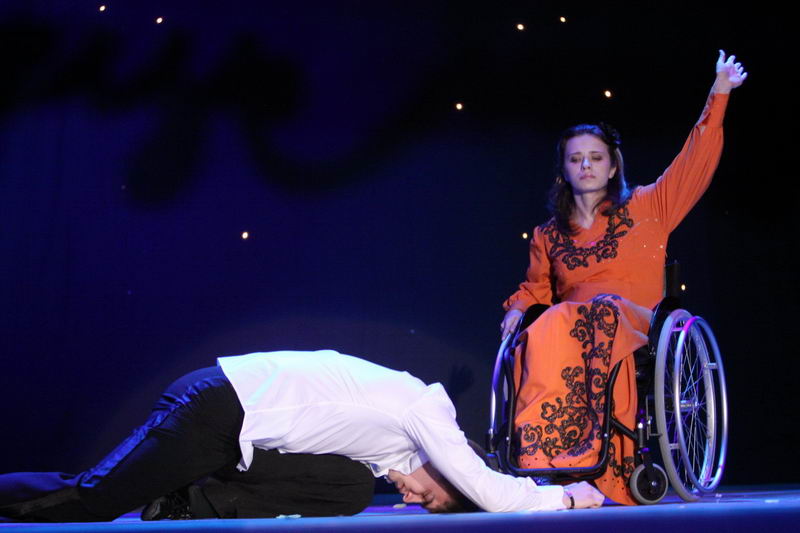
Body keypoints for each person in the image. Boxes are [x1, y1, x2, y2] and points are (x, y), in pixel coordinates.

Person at [499, 51, 746, 505]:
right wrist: (517, 310)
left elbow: (694, 161)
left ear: (613, 166)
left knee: (601, 310)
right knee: (544, 325)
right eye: (576, 159)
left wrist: (720, 93)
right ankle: (548, 455)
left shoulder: (649, 207)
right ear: (564, 170)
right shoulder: (548, 234)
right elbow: (536, 289)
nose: (586, 166)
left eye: (596, 158)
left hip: (635, 323)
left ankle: (603, 455)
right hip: (569, 328)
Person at [0, 350, 604, 522]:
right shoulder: (426, 412)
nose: (413, 499)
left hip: (230, 434)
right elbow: (490, 490)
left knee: (349, 488)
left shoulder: (387, 452)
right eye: (432, 496)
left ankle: (187, 501)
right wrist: (564, 496)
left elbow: (330, 477)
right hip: (219, 406)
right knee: (95, 498)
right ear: (448, 471)